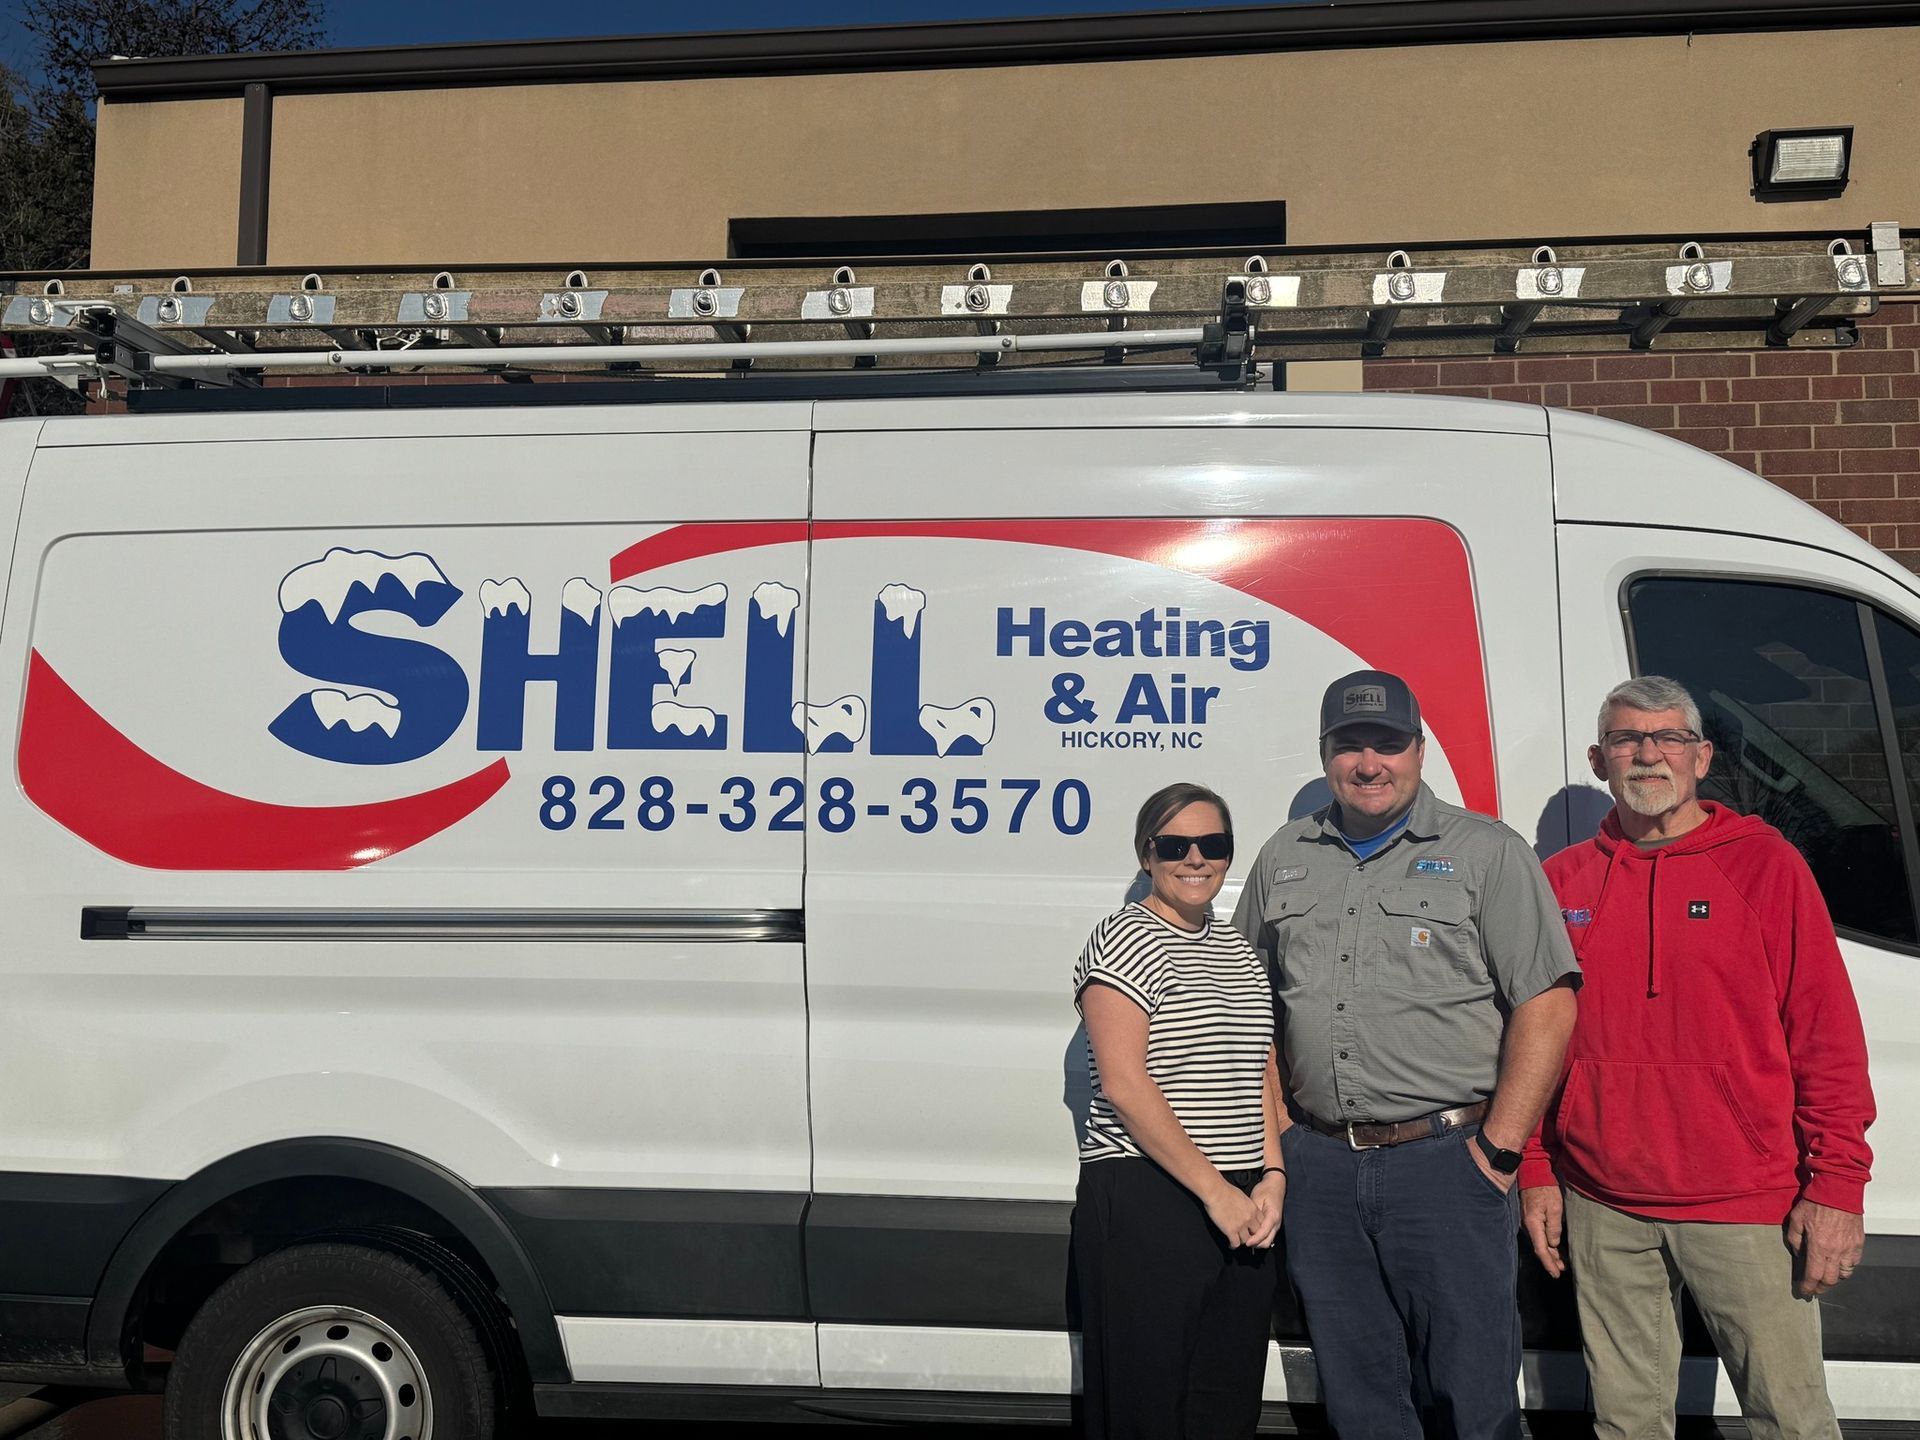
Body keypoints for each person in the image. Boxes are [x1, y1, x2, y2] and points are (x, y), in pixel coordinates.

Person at [1521, 675, 1875, 1440]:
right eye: (1627, 739)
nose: (1648, 755)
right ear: (1598, 758)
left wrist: (1838, 1184)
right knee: (1625, 1425)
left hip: (1745, 1201)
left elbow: (1827, 1035)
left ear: (1702, 756)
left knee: (1792, 1421)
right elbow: (1532, 1042)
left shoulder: (1764, 866)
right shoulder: (1561, 883)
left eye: (1669, 738)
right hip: (1603, 1200)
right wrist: (1540, 1168)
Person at [1232, 669, 1579, 1440]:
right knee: (1360, 1397)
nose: (1368, 762)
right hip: (1321, 1166)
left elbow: (1548, 1004)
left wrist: (1499, 1150)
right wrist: (1280, 1134)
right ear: (1325, 756)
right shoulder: (1284, 856)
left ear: (1419, 750)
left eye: (1387, 743)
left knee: (1473, 1394)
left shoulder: (1485, 852)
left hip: (1447, 1163)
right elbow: (1251, 1005)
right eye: (1349, 745)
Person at [1071, 781, 1285, 1439]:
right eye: (1175, 844)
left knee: (1225, 1403)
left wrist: (1273, 1175)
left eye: (1212, 844)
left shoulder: (1236, 949)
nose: (1196, 859)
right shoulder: (1125, 938)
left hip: (1243, 1199)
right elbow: (1125, 1086)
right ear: (1147, 854)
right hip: (1150, 1194)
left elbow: (1257, 1069)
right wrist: (1216, 1191)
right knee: (1148, 1407)